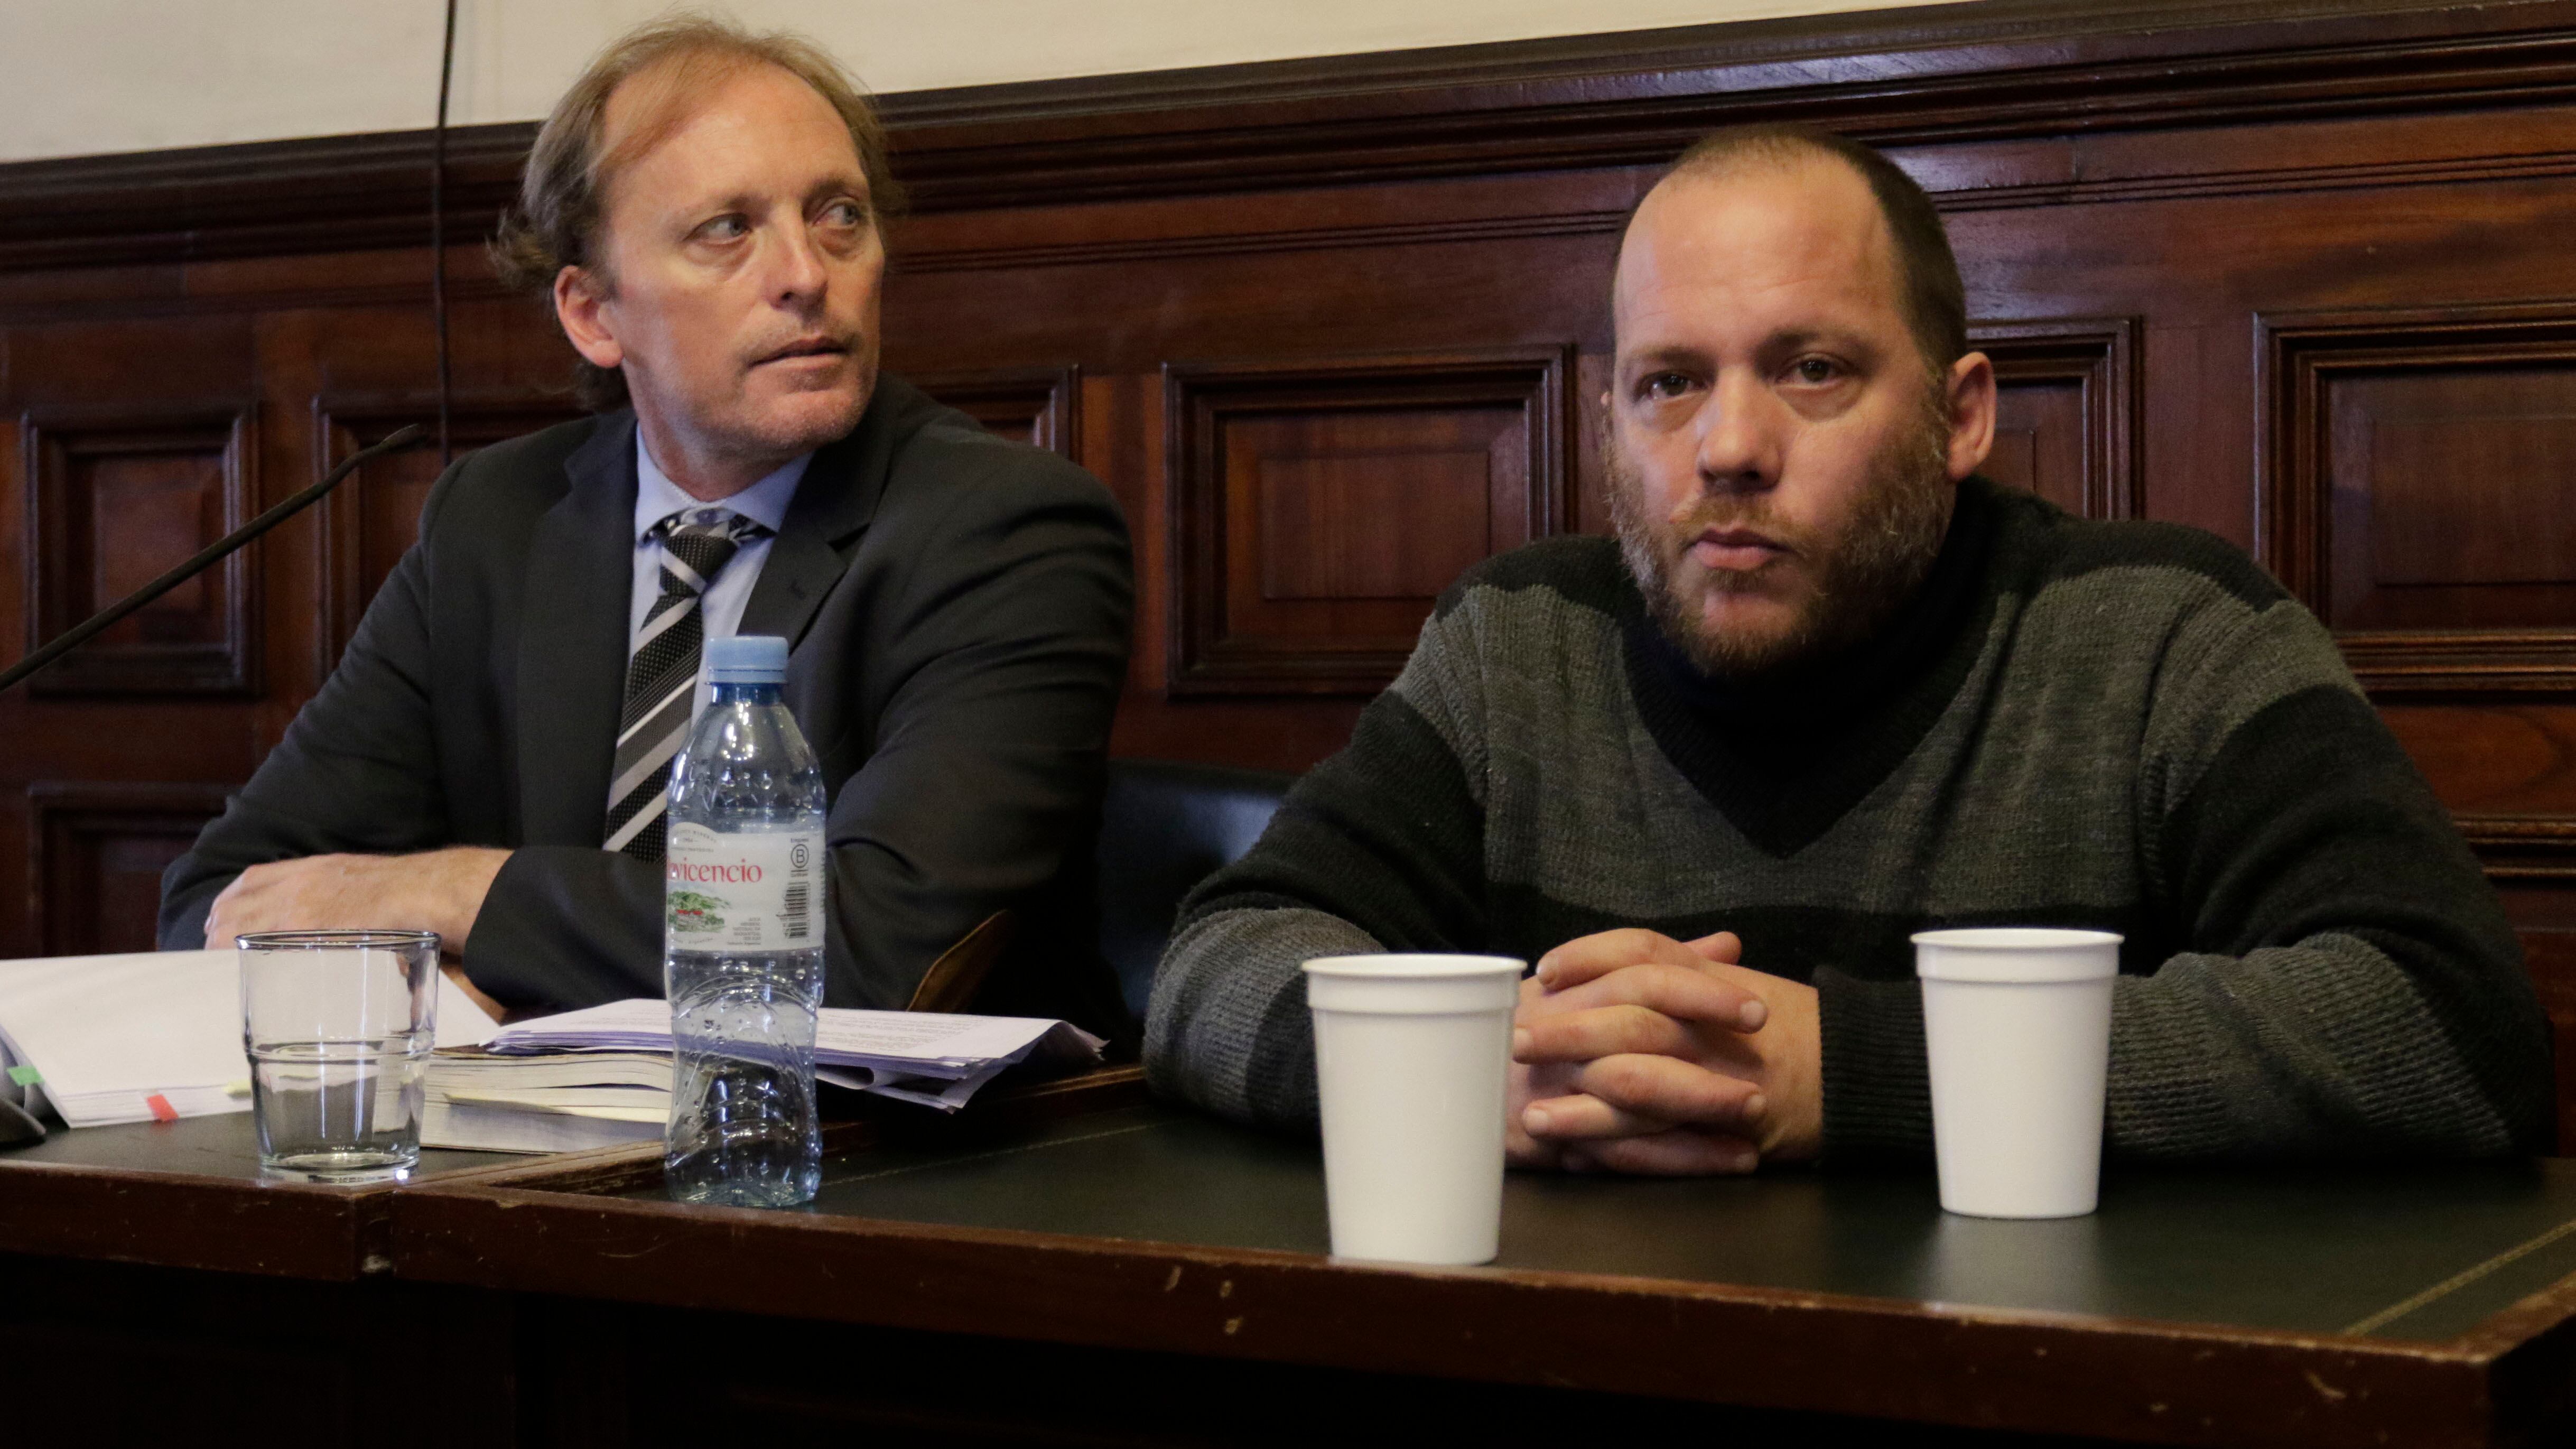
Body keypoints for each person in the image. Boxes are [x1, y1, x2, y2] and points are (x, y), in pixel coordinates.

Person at [1143, 124, 2551, 1171]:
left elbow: (2445, 1020)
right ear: (1606, 428)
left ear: (1960, 417)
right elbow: (1217, 959)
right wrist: (1479, 1073)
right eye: (1668, 383)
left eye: (1810, 369)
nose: (1730, 448)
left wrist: (1844, 1067)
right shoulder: (1517, 642)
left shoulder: (2159, 633)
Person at [159, 17, 1134, 1036]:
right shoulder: (496, 521)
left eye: (839, 214)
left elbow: (869, 955)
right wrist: (433, 992)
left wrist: (464, 898)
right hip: (528, 1159)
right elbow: (226, 900)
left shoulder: (1011, 532)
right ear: (593, 313)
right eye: (728, 229)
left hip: (897, 1170)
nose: (807, 272)